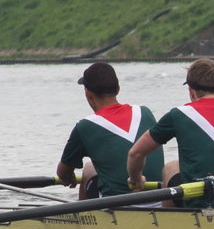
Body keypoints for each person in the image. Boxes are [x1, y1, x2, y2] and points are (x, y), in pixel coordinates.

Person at [127, 58, 214, 209]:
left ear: (191, 91)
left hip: (198, 204)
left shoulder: (178, 115)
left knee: (170, 168)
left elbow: (135, 153)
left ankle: (170, 220)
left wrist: (136, 179)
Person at [57, 62, 164, 200]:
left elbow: (62, 174)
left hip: (117, 205)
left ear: (88, 93)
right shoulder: (144, 112)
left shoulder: (84, 126)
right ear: (118, 89)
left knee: (89, 169)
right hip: (159, 199)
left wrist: (69, 177)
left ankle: (83, 212)